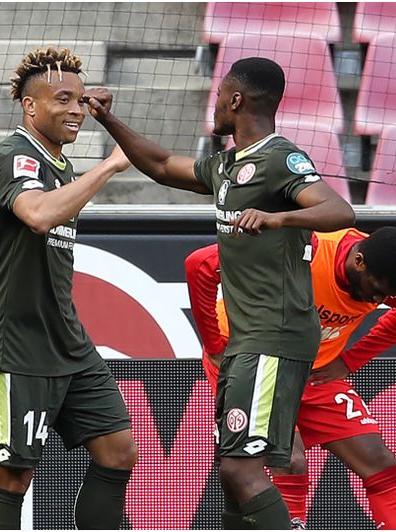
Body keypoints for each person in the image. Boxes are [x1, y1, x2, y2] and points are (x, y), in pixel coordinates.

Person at [86, 57, 355, 529]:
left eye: (219, 96)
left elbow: (339, 210)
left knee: (240, 467)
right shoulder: (231, 164)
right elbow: (162, 165)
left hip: (273, 336)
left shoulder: (279, 158)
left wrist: (279, 217)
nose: (213, 106)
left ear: (236, 101)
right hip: (248, 340)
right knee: (232, 469)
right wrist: (109, 120)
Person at [0, 46, 137, 530]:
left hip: (66, 340)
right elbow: (39, 215)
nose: (75, 111)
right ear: (30, 105)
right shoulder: (16, 156)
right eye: (62, 100)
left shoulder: (57, 163)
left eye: (81, 102)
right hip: (15, 342)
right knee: (13, 475)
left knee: (118, 451)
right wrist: (107, 166)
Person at [186, 226, 396, 530]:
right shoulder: (304, 249)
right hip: (254, 361)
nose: (380, 300)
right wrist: (213, 344)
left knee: (377, 458)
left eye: (388, 296)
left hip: (316, 371)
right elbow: (199, 264)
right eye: (377, 290)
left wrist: (349, 360)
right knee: (290, 459)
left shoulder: (391, 277)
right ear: (359, 261)